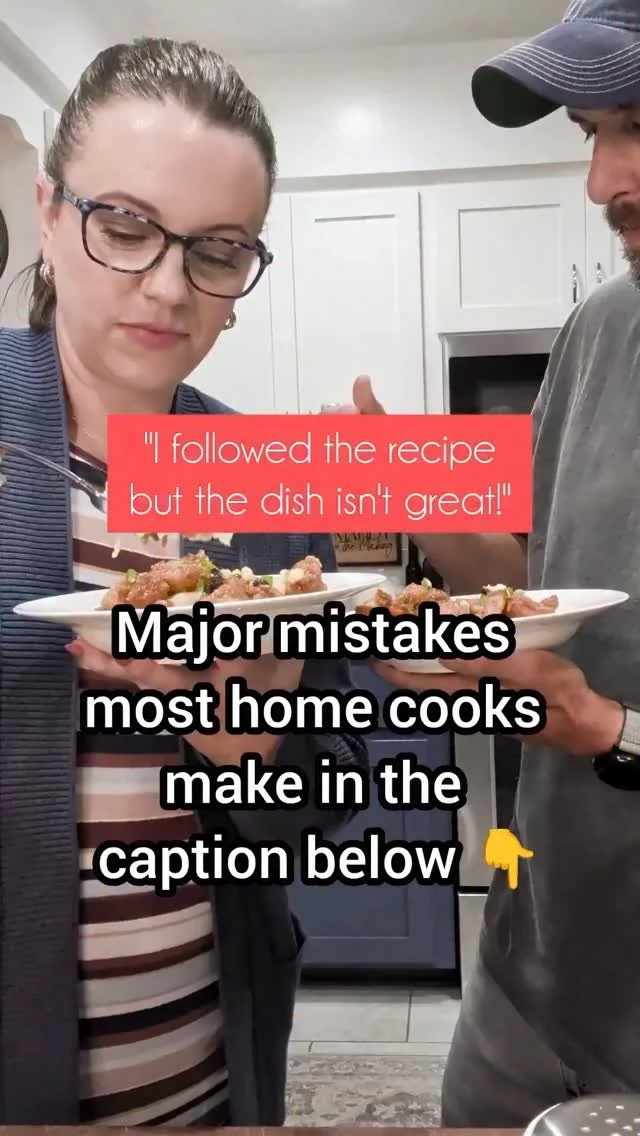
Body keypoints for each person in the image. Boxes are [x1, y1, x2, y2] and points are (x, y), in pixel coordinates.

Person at [0, 37, 368, 1127]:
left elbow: (328, 794)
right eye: (125, 226)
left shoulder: (262, 476)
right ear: (50, 215)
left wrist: (252, 750)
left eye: (217, 250)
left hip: (212, 1075)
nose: (169, 286)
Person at [336, 1, 640, 1123]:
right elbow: (532, 578)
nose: (602, 181)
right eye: (593, 134)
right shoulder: (602, 329)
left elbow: (595, 711)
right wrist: (405, 488)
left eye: (639, 126)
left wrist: (611, 729)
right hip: (529, 985)